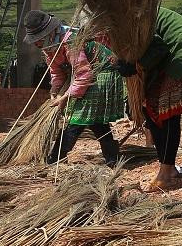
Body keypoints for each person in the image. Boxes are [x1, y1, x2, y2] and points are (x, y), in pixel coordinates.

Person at [114, 6, 182, 191]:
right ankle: (168, 168)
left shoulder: (130, 17)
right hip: (171, 55)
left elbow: (158, 48)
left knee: (165, 113)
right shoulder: (126, 16)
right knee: (151, 110)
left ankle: (166, 173)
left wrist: (136, 65)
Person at [23, 10, 123, 166]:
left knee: (78, 117)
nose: (36, 44)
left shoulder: (71, 42)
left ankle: (56, 157)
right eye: (34, 41)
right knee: (96, 121)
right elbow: (57, 73)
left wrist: (65, 97)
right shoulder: (50, 48)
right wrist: (54, 92)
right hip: (87, 76)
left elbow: (84, 74)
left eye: (38, 39)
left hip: (102, 73)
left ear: (49, 33)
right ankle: (113, 158)